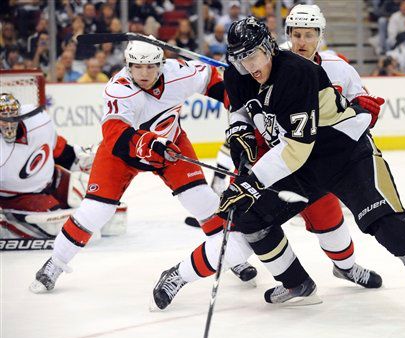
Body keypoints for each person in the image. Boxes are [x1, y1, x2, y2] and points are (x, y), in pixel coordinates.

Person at [213, 17, 405, 325]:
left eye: (252, 56)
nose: (248, 66)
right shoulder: (237, 74)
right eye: (239, 59)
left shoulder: (297, 73)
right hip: (306, 165)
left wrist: (251, 181)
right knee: (250, 215)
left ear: (268, 48)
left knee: (391, 228)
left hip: (346, 153)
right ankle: (296, 282)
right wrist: (240, 132)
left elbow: (296, 149)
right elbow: (240, 109)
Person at [173, 5, 383, 303]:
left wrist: (366, 109)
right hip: (276, 161)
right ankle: (290, 281)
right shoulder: (264, 62)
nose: (302, 42)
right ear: (285, 36)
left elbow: (357, 105)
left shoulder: (338, 67)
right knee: (251, 225)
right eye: (296, 35)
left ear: (320, 36)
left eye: (309, 35)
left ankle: (346, 268)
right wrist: (239, 132)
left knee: (331, 223)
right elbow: (242, 108)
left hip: (318, 164)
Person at [29, 36, 256, 293]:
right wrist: (149, 144)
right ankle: (56, 262)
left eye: (150, 66)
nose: (144, 73)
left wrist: (239, 99)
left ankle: (227, 256)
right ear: (128, 65)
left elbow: (215, 82)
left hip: (171, 144)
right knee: (95, 211)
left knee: (203, 200)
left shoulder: (178, 72)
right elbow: (115, 133)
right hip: (121, 154)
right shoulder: (118, 88)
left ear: (162, 63)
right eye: (137, 66)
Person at [0, 93, 123, 238]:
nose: (8, 123)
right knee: (60, 226)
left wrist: (82, 160)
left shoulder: (39, 120)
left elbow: (60, 150)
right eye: (3, 118)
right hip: (18, 196)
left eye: (12, 116)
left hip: (53, 179)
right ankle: (11, 222)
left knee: (101, 202)